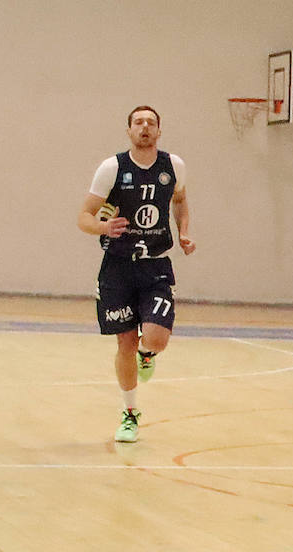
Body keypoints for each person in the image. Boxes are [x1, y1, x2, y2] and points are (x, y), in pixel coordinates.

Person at [77, 105, 196, 443]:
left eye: (151, 122)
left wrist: (184, 230)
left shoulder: (174, 166)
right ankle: (130, 414)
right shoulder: (112, 168)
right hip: (117, 267)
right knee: (125, 342)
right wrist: (103, 225)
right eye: (138, 122)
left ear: (159, 131)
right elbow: (83, 217)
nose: (145, 127)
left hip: (155, 264)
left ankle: (149, 354)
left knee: (156, 338)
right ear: (128, 130)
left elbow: (181, 200)